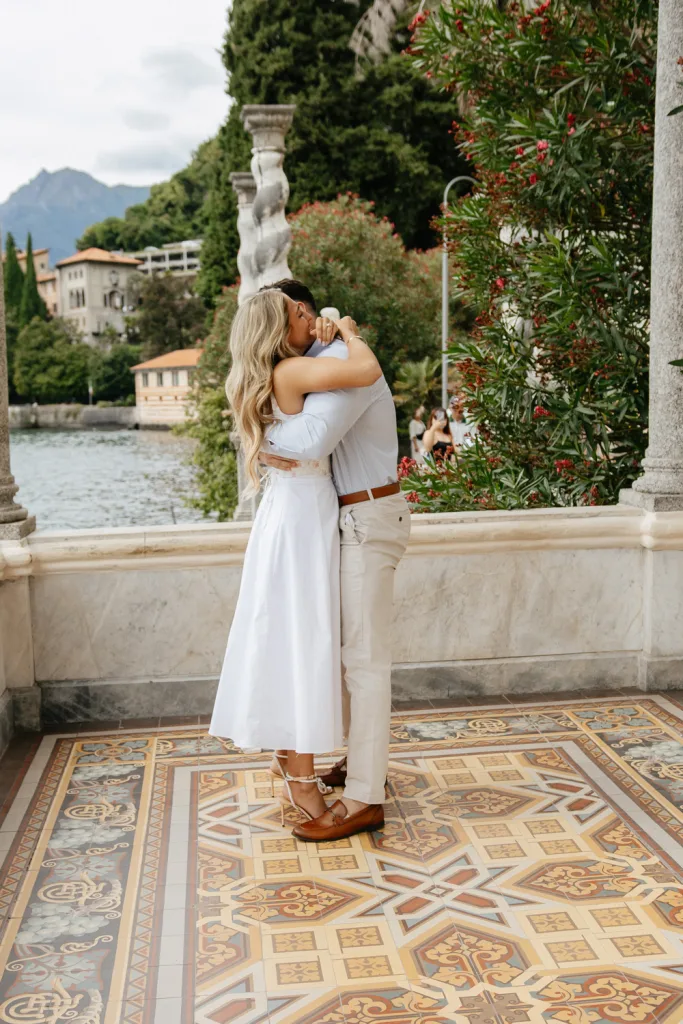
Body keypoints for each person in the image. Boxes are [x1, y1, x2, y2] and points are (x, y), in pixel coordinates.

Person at [209, 289, 382, 826]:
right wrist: (346, 329)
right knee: (302, 644)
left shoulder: (271, 375)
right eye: (298, 313)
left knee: (290, 639)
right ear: (278, 332)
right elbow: (367, 369)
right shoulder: (290, 372)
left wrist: (324, 322)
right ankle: (302, 782)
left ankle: (290, 765)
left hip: (291, 512)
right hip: (303, 515)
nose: (308, 314)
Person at [261, 278, 411, 842]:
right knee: (349, 658)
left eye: (288, 316)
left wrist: (264, 440)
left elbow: (311, 442)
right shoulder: (324, 360)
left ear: (302, 311)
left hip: (369, 515)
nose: (285, 331)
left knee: (365, 664)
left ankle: (365, 796)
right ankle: (360, 762)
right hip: (353, 517)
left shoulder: (345, 360)